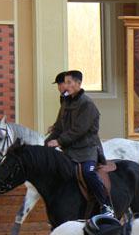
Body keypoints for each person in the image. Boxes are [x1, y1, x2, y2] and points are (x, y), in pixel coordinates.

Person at [44, 70, 114, 218]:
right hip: (70, 150)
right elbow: (59, 126)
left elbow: (79, 130)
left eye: (69, 83)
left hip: (87, 150)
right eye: (66, 82)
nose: (66, 86)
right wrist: (46, 143)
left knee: (88, 173)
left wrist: (59, 141)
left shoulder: (87, 104)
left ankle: (106, 205)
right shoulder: (66, 102)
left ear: (78, 83)